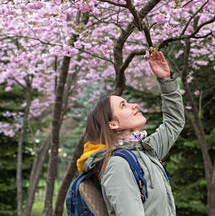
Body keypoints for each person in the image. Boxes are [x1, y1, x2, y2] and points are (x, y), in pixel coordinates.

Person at [76, 47, 185, 216]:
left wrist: (166, 80)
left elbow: (174, 123)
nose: (133, 105)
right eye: (123, 105)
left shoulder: (145, 150)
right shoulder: (117, 165)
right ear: (112, 124)